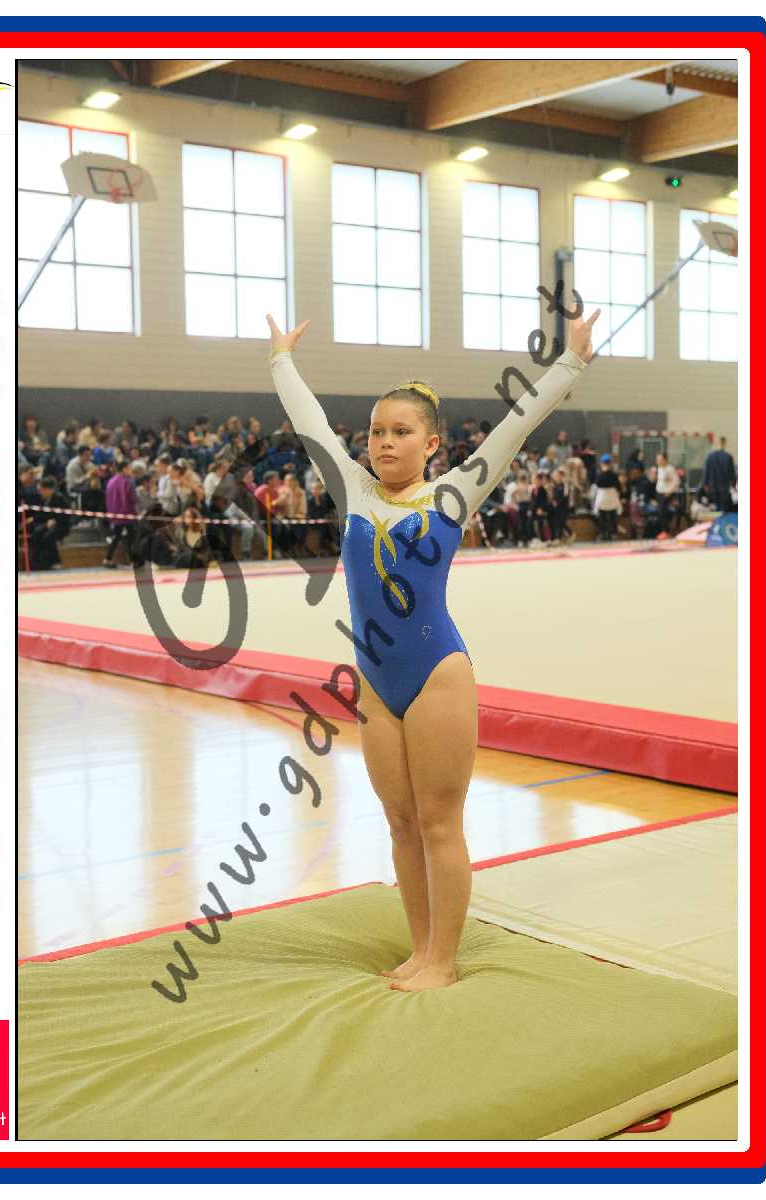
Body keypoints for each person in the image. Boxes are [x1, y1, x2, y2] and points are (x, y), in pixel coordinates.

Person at [267, 304, 598, 992]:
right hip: (375, 680)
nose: (384, 443)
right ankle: (421, 949)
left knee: (440, 822)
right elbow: (309, 424)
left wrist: (570, 360)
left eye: (401, 432)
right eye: (376, 432)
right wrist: (282, 360)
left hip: (436, 673)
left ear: (432, 444)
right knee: (401, 823)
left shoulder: (454, 494)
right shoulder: (353, 490)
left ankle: (443, 961)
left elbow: (517, 424)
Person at [103, 459, 137, 568]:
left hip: (114, 514)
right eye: (129, 468)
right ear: (124, 468)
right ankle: (133, 560)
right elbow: (132, 498)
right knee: (131, 537)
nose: (131, 470)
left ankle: (107, 559)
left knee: (116, 537)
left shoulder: (110, 481)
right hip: (127, 513)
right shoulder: (128, 481)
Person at [702, 437, 737, 512]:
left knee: (714, 509)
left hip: (712, 487)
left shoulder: (710, 457)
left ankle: (716, 519)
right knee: (724, 509)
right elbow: (732, 473)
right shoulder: (728, 457)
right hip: (724, 488)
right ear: (724, 444)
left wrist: (705, 484)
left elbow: (706, 472)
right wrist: (734, 485)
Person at [593, 453, 621, 541]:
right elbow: (619, 487)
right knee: (612, 517)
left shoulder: (599, 475)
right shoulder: (614, 475)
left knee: (602, 517)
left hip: (602, 499)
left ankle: (603, 534)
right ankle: (613, 534)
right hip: (611, 499)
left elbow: (597, 485)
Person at [655, 451, 681, 536]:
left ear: (665, 460)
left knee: (663, 512)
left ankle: (667, 531)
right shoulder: (659, 468)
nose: (658, 461)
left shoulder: (670, 469)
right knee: (660, 512)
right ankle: (665, 531)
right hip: (659, 493)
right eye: (657, 460)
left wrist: (669, 492)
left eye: (660, 459)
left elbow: (677, 482)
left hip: (667, 494)